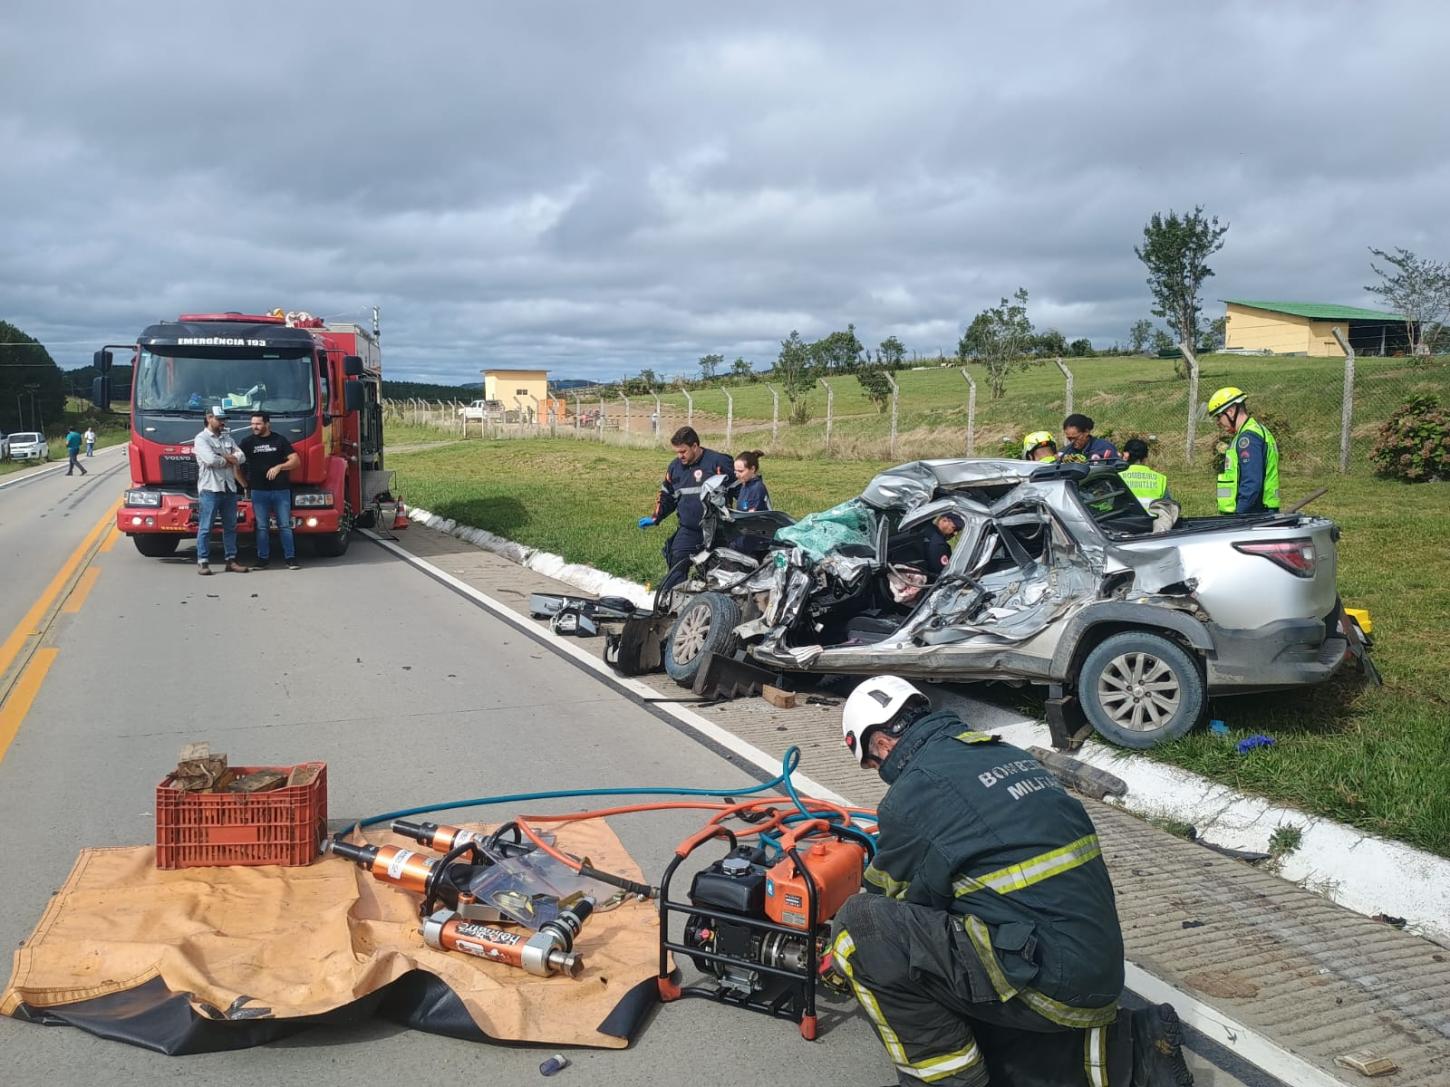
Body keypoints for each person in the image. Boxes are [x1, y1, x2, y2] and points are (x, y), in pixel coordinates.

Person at [830, 676, 1193, 1087]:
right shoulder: (1005, 754)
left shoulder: (915, 790)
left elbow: (889, 904)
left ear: (881, 743)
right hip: (1099, 973)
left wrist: (841, 962)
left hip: (1049, 979)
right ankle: (1135, 1051)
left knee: (859, 929)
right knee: (962, 954)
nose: (882, 774)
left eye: (874, 765)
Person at [637, 426, 734, 592]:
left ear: (695, 446)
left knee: (719, 575)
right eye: (677, 452)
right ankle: (669, 605)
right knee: (676, 563)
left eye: (683, 451)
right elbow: (667, 496)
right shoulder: (675, 468)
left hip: (718, 530)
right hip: (689, 530)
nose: (680, 456)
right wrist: (656, 517)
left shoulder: (718, 462)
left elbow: (738, 487)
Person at [237, 411, 301, 570]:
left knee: (285, 526)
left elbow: (295, 461)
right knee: (262, 527)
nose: (255, 427)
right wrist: (244, 484)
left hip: (281, 491)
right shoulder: (247, 442)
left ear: (267, 424)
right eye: (252, 423)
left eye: (258, 423)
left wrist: (280, 467)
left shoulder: (279, 440)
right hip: (259, 491)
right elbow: (235, 463)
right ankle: (262, 559)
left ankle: (290, 558)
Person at [192, 406, 249, 575]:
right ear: (209, 418)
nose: (223, 422)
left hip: (229, 488)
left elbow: (242, 457)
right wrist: (229, 458)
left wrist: (223, 456)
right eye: (219, 419)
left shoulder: (227, 439)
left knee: (230, 526)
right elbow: (210, 460)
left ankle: (231, 560)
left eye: (224, 419)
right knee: (206, 527)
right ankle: (203, 561)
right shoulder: (201, 439)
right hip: (210, 488)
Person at [1207, 387, 1279, 516]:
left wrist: (1239, 516)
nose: (1218, 422)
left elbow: (1252, 483)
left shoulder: (1248, 438)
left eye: (1219, 416)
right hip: (1255, 511)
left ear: (1230, 411)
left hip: (1253, 513)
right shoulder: (1252, 432)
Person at [1119, 439, 1172, 510]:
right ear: (1145, 458)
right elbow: (1168, 506)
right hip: (1153, 519)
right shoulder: (1160, 478)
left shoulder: (1118, 477)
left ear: (1126, 455)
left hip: (1126, 519)